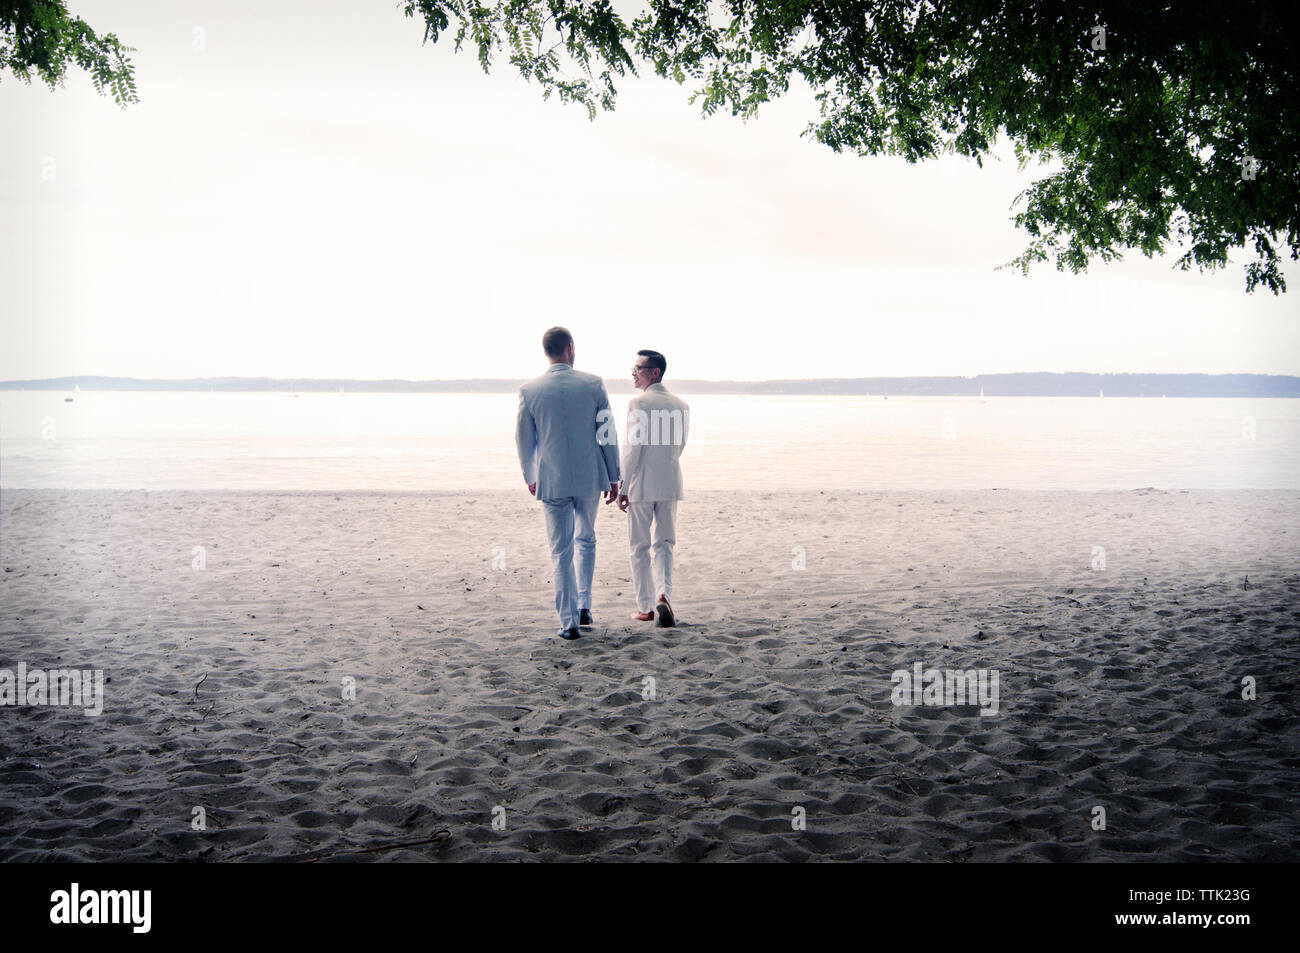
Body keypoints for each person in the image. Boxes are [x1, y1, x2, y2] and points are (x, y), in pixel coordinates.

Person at [516, 327, 620, 640]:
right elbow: (607, 434)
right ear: (570, 348)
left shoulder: (530, 390)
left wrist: (530, 476)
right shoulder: (592, 383)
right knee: (586, 539)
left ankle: (569, 622)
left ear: (546, 351)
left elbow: (524, 440)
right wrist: (614, 476)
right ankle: (585, 605)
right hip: (589, 475)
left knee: (560, 550)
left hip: (553, 478)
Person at [615, 349, 689, 628]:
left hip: (642, 483)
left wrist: (622, 486)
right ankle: (664, 594)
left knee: (639, 546)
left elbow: (632, 449)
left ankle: (645, 607)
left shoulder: (638, 404)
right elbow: (679, 445)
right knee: (665, 544)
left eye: (638, 368)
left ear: (654, 372)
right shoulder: (681, 405)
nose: (633, 373)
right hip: (670, 481)